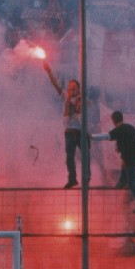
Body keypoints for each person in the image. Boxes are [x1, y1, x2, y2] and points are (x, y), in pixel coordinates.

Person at [91, 111, 135, 213]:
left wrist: (91, 137)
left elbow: (106, 136)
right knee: (124, 164)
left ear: (113, 120)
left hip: (132, 158)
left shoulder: (120, 129)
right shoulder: (129, 127)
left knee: (133, 183)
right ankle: (122, 181)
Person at [43, 59, 84, 188]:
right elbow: (55, 84)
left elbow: (83, 115)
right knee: (69, 158)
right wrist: (48, 71)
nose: (71, 89)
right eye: (70, 87)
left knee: (85, 157)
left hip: (80, 132)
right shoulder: (65, 96)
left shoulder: (82, 100)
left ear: (78, 89)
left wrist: (78, 104)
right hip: (69, 132)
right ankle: (72, 179)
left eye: (74, 88)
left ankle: (86, 179)